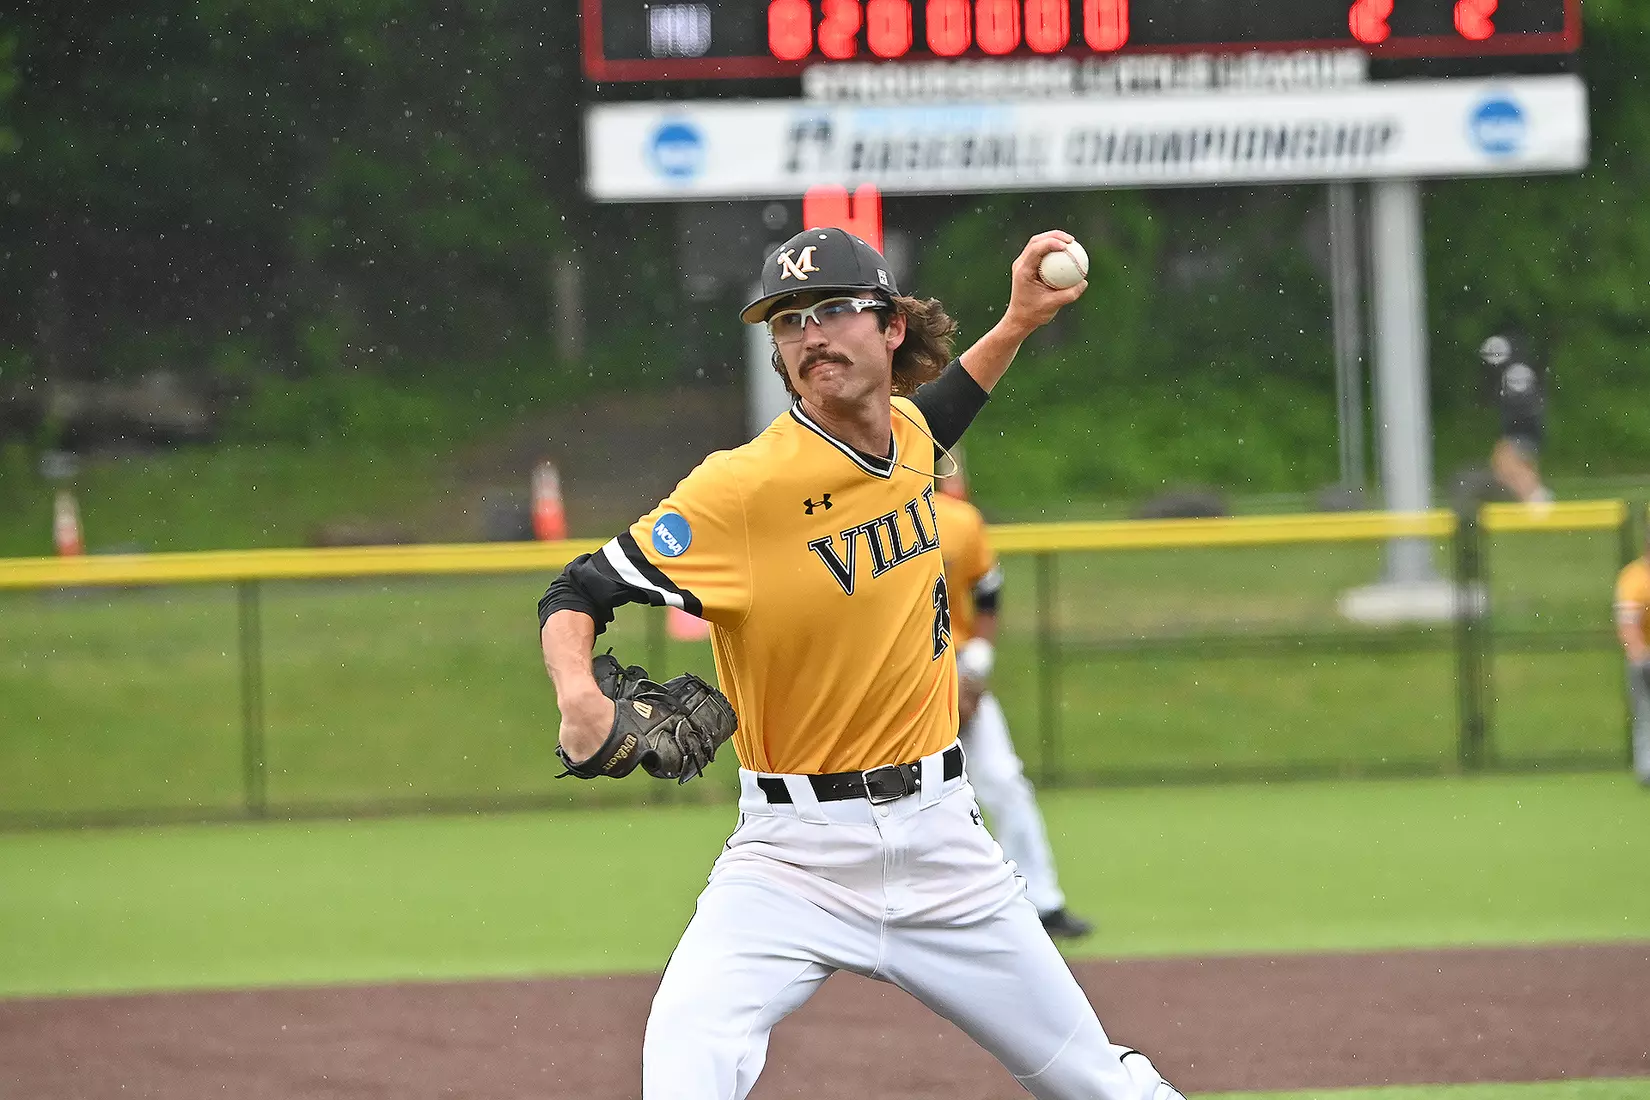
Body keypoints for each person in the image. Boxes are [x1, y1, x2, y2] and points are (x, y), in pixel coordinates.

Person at [538, 226, 1186, 1100]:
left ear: (889, 328)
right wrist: (578, 694)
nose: (810, 335)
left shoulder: (910, 439)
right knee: (685, 1060)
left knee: (1094, 1081)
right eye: (788, 320)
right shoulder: (741, 488)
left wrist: (1019, 321)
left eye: (833, 309)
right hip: (789, 858)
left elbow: (947, 403)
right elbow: (578, 590)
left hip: (943, 841)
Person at [934, 456, 1095, 939]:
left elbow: (986, 596)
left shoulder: (959, 522)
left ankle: (1042, 902)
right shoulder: (856, 519)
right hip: (888, 677)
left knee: (1002, 780)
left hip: (954, 663)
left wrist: (975, 670)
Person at [1478, 331, 1554, 509]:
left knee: (1504, 463)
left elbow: (1522, 404)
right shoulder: (1518, 369)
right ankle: (1536, 498)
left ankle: (1537, 499)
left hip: (1522, 430)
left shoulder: (1514, 372)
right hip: (1527, 429)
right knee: (1513, 465)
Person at [1613, 533, 1650, 786]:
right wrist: (1641, 658)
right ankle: (1647, 770)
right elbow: (1628, 625)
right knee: (1646, 713)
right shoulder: (1634, 578)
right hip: (1646, 659)